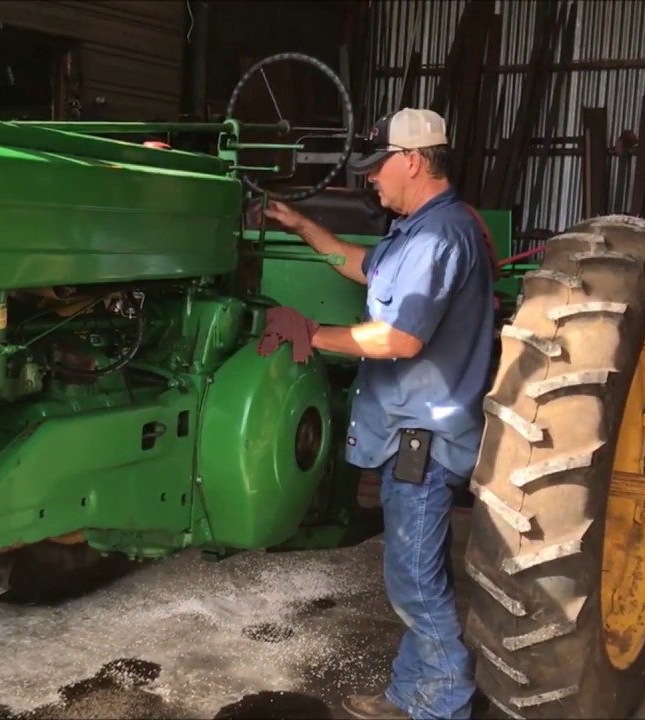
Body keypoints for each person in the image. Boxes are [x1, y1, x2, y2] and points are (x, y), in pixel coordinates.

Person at [259, 108, 494, 719]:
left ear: (413, 161)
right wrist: (299, 224)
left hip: (426, 436)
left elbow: (398, 339)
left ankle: (444, 704)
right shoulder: (417, 231)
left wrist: (310, 332)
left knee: (414, 582)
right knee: (416, 572)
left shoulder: (440, 238)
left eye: (377, 166)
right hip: (407, 429)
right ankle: (411, 692)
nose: (370, 179)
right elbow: (358, 264)